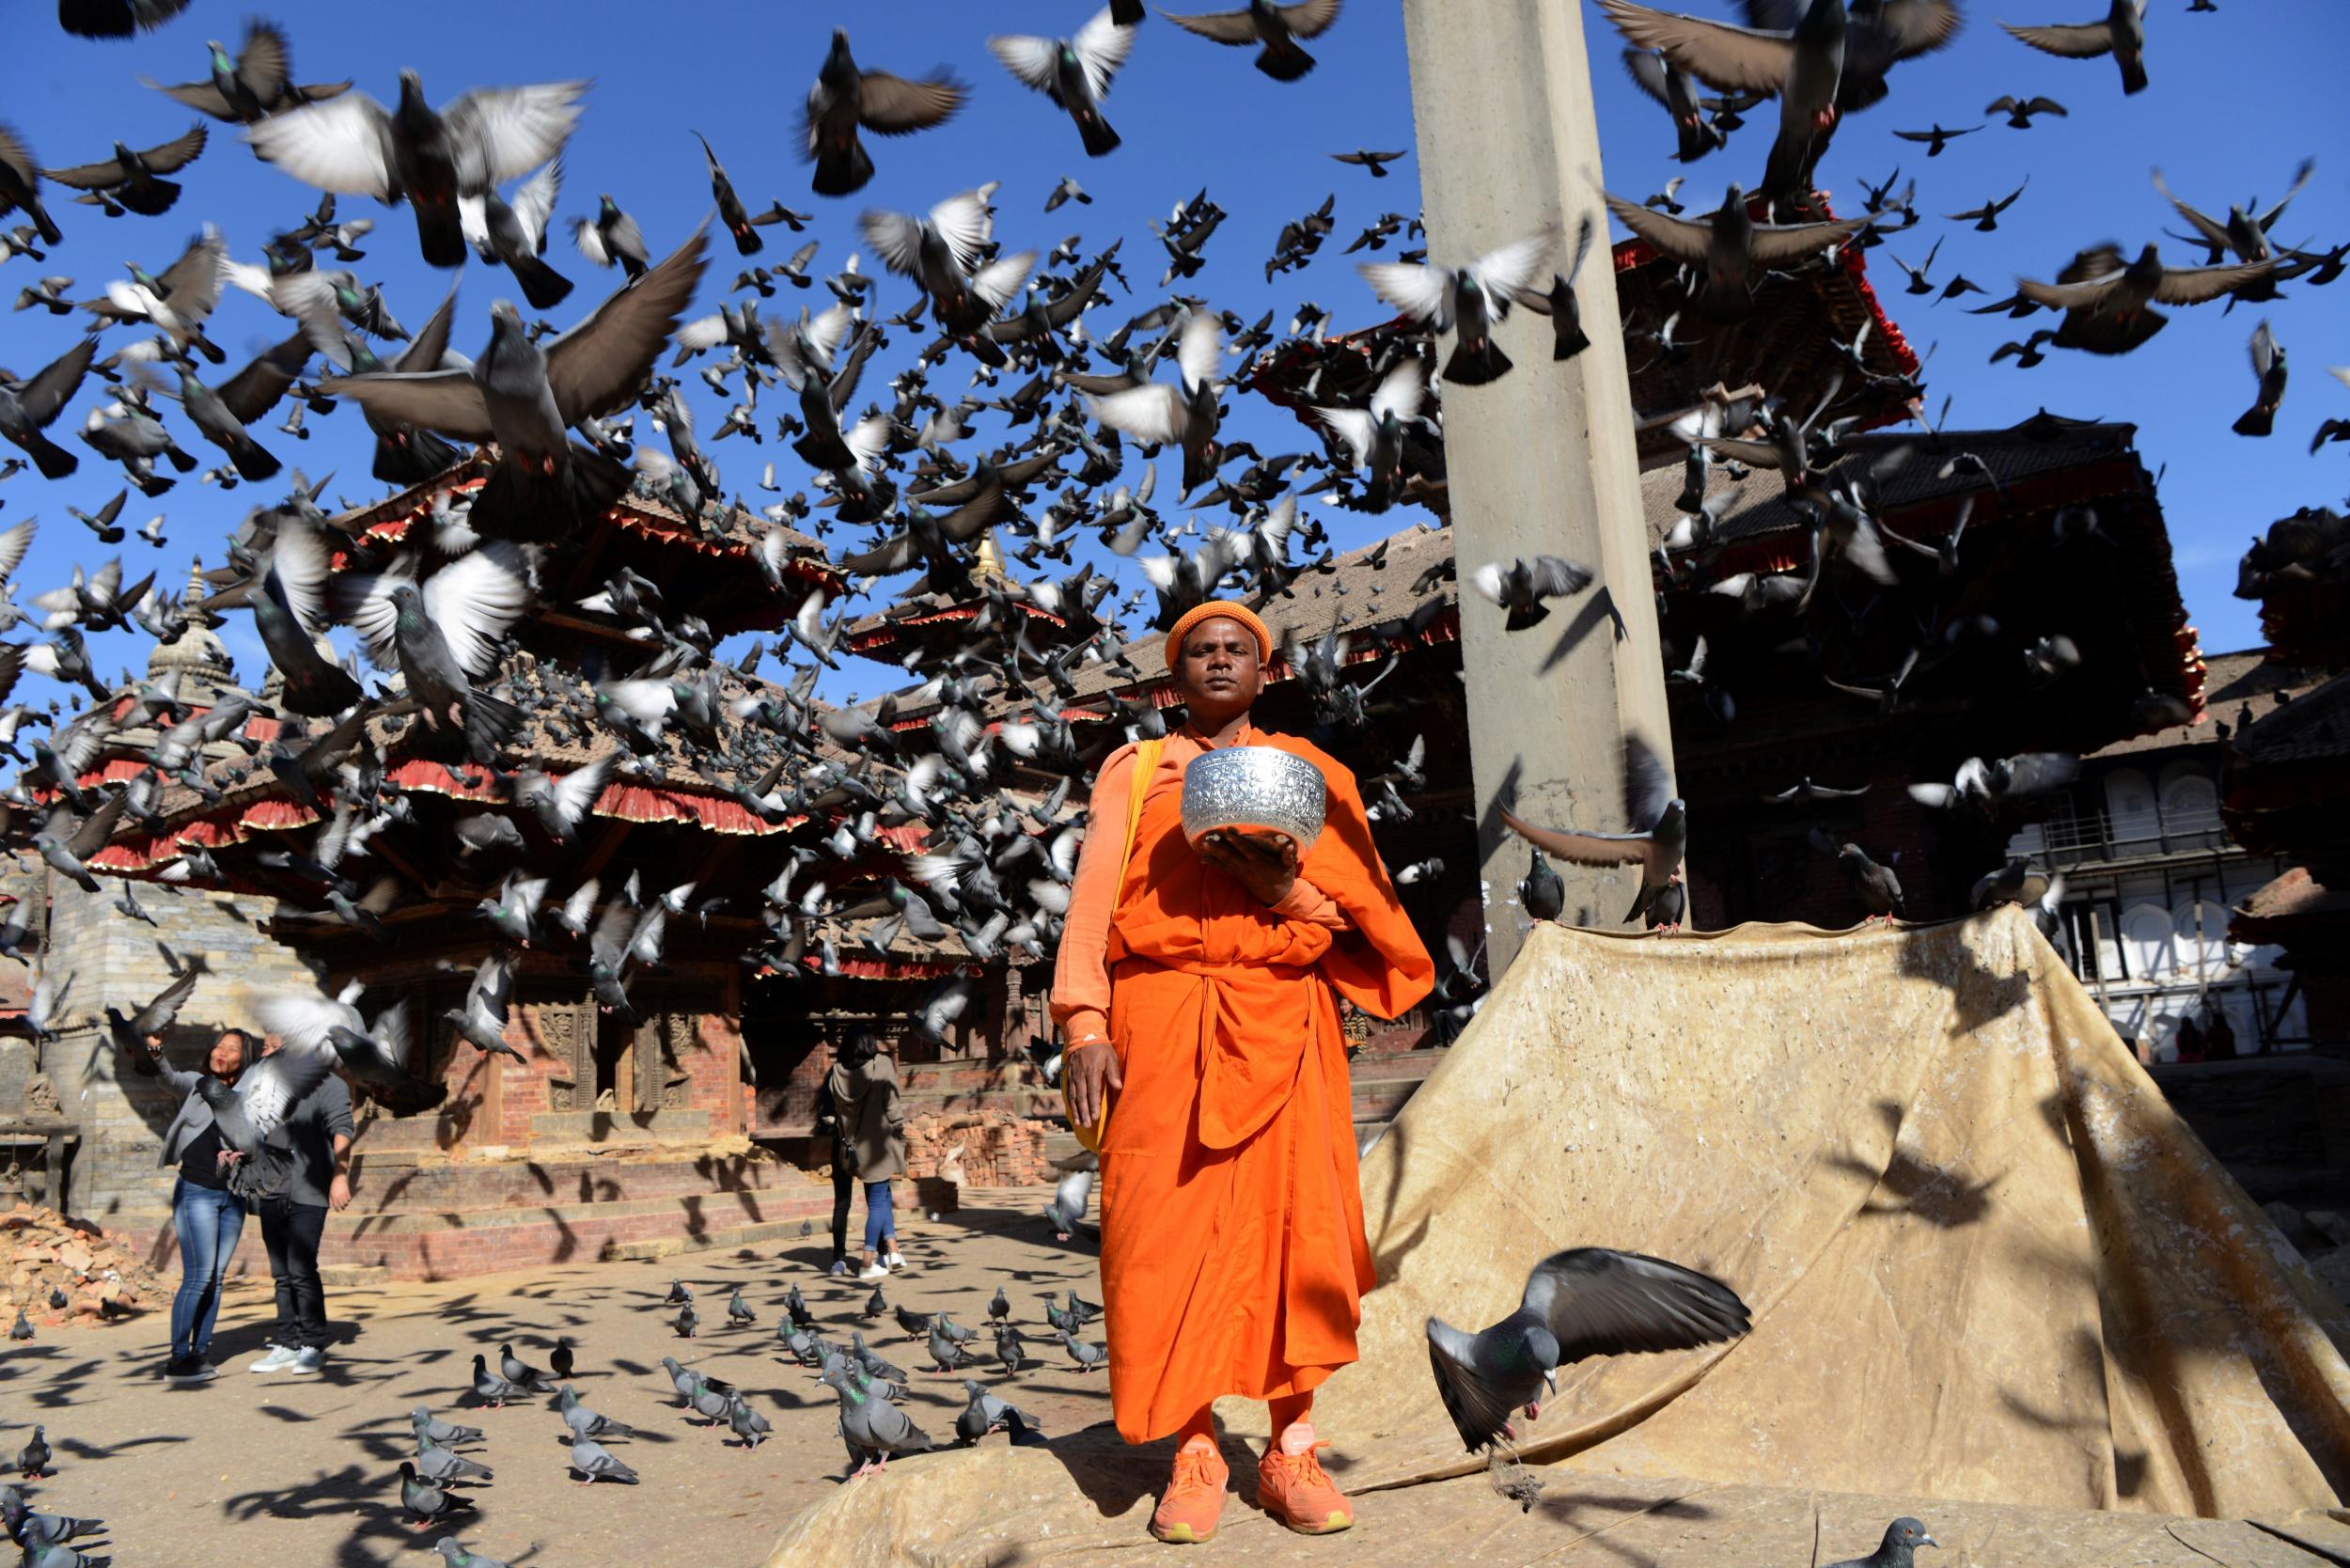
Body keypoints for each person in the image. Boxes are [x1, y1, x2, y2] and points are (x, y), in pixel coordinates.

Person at [1053, 601, 1434, 1544]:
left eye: (1238, 651)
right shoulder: (1135, 770)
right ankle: (1191, 1452)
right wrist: (1082, 1023)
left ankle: (1290, 1449)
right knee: (1160, 1242)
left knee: (1295, 1241)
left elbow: (1365, 920)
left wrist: (1280, 887)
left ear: (1266, 674)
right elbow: (1093, 898)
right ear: (1171, 678)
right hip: (1160, 1023)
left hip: (1286, 1022)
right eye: (1199, 652)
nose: (1219, 661)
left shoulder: (1312, 774)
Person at [137, 1027, 254, 1385]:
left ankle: (200, 1351)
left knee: (216, 1279)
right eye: (219, 1045)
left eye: (232, 1048)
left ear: (243, 1058)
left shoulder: (248, 1096)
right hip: (197, 1190)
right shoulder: (197, 1085)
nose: (222, 1052)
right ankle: (177, 1357)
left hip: (233, 1194)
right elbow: (169, 1078)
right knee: (199, 1276)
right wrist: (157, 1053)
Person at [245, 1036, 353, 1377]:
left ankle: (312, 1343)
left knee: (301, 1270)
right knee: (281, 1274)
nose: (267, 1050)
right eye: (265, 1045)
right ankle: (287, 1342)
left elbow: (343, 1130)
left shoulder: (328, 1083)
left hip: (308, 1188)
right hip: (270, 1189)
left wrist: (340, 1177)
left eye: (274, 1044)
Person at [830, 1029, 906, 1280]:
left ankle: (894, 1252)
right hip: (878, 1145)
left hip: (852, 1148)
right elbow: (893, 1105)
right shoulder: (882, 1064)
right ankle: (866, 1262)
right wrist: (899, 1130)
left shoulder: (836, 1073)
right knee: (876, 1203)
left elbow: (836, 1116)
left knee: (883, 1195)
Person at [810, 1035, 858, 1278]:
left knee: (841, 1202)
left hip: (840, 1145)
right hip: (866, 1145)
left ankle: (838, 1258)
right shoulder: (868, 1074)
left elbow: (823, 1114)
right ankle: (881, 1253)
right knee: (878, 1200)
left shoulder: (833, 1075)